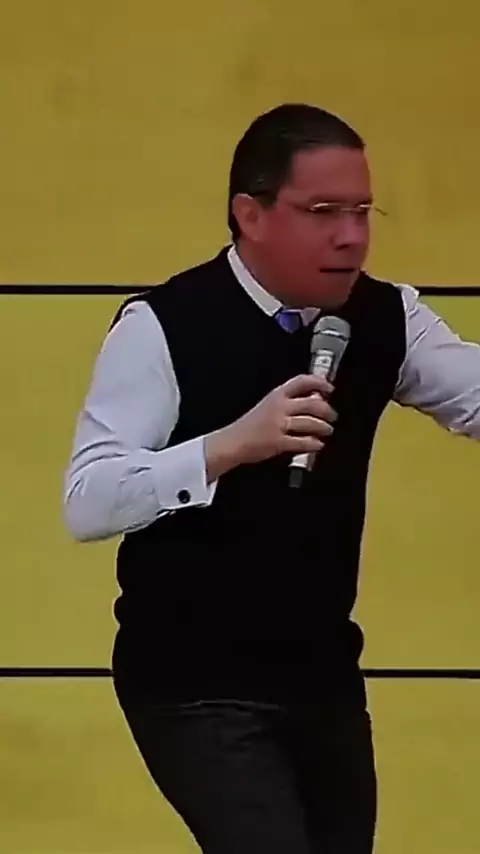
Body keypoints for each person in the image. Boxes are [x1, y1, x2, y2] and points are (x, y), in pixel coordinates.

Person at [64, 103, 480, 854]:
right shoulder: (164, 325)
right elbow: (88, 499)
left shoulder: (387, 316)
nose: (350, 236)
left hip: (321, 671)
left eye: (361, 212)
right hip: (190, 680)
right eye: (322, 212)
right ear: (249, 215)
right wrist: (227, 447)